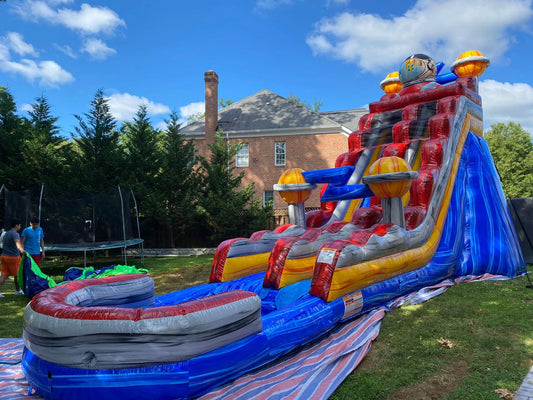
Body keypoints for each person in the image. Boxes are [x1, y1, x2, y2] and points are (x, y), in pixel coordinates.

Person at [0, 219, 26, 297]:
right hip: (13, 257)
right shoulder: (15, 234)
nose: (20, 227)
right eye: (19, 225)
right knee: (18, 275)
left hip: (4, 256)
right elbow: (18, 244)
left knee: (4, 275)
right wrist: (22, 251)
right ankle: (18, 291)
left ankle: (18, 290)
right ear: (16, 225)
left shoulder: (6, 233)